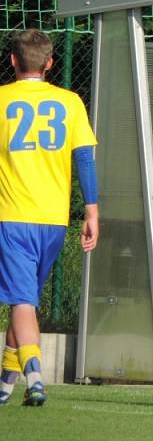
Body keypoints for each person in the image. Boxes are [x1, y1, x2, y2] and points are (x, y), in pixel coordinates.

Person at [0, 29, 99, 407]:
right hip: (54, 221)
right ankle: (6, 385)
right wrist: (91, 212)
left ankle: (36, 378)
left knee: (21, 301)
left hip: (12, 217)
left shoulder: (2, 99)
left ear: (12, 61)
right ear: (50, 63)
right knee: (24, 300)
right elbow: (85, 160)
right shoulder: (70, 102)